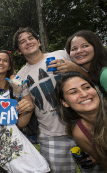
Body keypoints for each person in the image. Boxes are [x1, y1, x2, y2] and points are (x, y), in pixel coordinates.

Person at [13, 27, 88, 172]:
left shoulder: (62, 54)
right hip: (52, 136)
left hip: (84, 126)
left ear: (39, 41)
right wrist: (21, 101)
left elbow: (90, 77)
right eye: (22, 42)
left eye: (31, 38)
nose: (28, 42)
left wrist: (73, 67)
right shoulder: (21, 76)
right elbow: (24, 117)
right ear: (19, 51)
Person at [54, 71, 107, 172]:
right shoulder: (80, 133)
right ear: (64, 102)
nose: (84, 94)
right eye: (73, 92)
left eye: (87, 87)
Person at [65, 30, 107, 97]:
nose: (79, 51)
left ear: (96, 47)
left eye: (85, 46)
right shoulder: (83, 75)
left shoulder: (104, 73)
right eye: (74, 49)